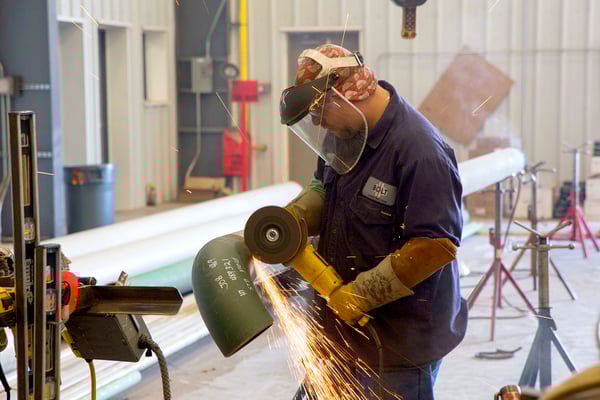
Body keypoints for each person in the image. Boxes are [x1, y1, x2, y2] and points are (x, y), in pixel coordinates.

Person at [281, 44, 468, 400]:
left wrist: (360, 295)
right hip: (338, 334)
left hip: (398, 346)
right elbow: (325, 188)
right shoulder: (345, 134)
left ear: (345, 96)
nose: (318, 123)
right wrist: (296, 217)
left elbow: (433, 247)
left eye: (320, 112)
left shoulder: (420, 151)